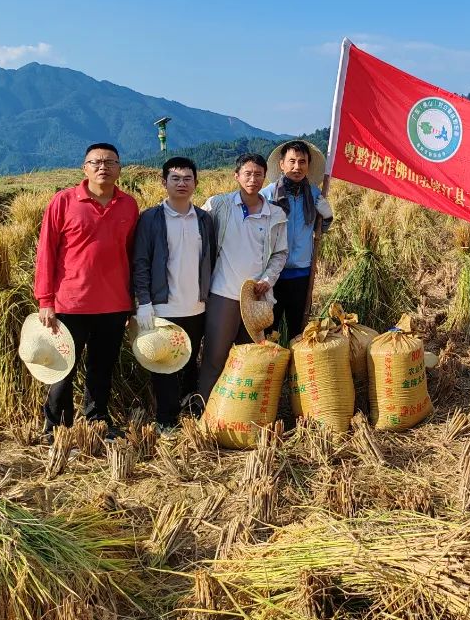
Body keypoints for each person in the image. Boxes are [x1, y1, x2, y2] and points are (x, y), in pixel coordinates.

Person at [34, 143, 139, 439]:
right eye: (96, 162)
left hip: (114, 303)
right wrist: (45, 300)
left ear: (119, 168)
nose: (103, 167)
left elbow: (131, 255)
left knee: (102, 367)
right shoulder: (63, 201)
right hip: (70, 303)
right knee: (62, 367)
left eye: (110, 162)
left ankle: (96, 419)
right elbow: (46, 253)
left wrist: (132, 302)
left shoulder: (129, 205)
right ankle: (55, 425)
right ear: (85, 168)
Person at [132, 157, 217, 427]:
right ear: (164, 182)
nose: (182, 184)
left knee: (191, 361)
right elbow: (141, 262)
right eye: (175, 179)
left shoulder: (204, 219)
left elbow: (211, 257)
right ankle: (166, 420)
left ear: (195, 183)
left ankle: (189, 411)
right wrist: (143, 301)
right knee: (165, 364)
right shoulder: (150, 219)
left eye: (187, 179)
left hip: (196, 306)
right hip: (163, 307)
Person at [197, 153, 288, 404]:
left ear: (265, 177)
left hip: (256, 298)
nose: (253, 179)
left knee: (247, 357)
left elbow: (280, 254)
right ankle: (203, 408)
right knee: (215, 356)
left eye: (258, 174)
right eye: (247, 173)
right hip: (223, 293)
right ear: (236, 176)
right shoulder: (219, 205)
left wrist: (268, 280)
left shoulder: (275, 215)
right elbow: (196, 230)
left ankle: (238, 410)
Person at [260, 140, 333, 343]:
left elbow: (320, 229)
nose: (297, 167)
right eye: (292, 161)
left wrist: (327, 218)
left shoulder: (314, 194)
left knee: (297, 329)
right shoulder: (267, 195)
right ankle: (271, 369)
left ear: (308, 165)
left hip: (301, 272)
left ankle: (294, 371)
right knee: (268, 327)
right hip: (271, 274)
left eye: (302, 162)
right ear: (282, 164)